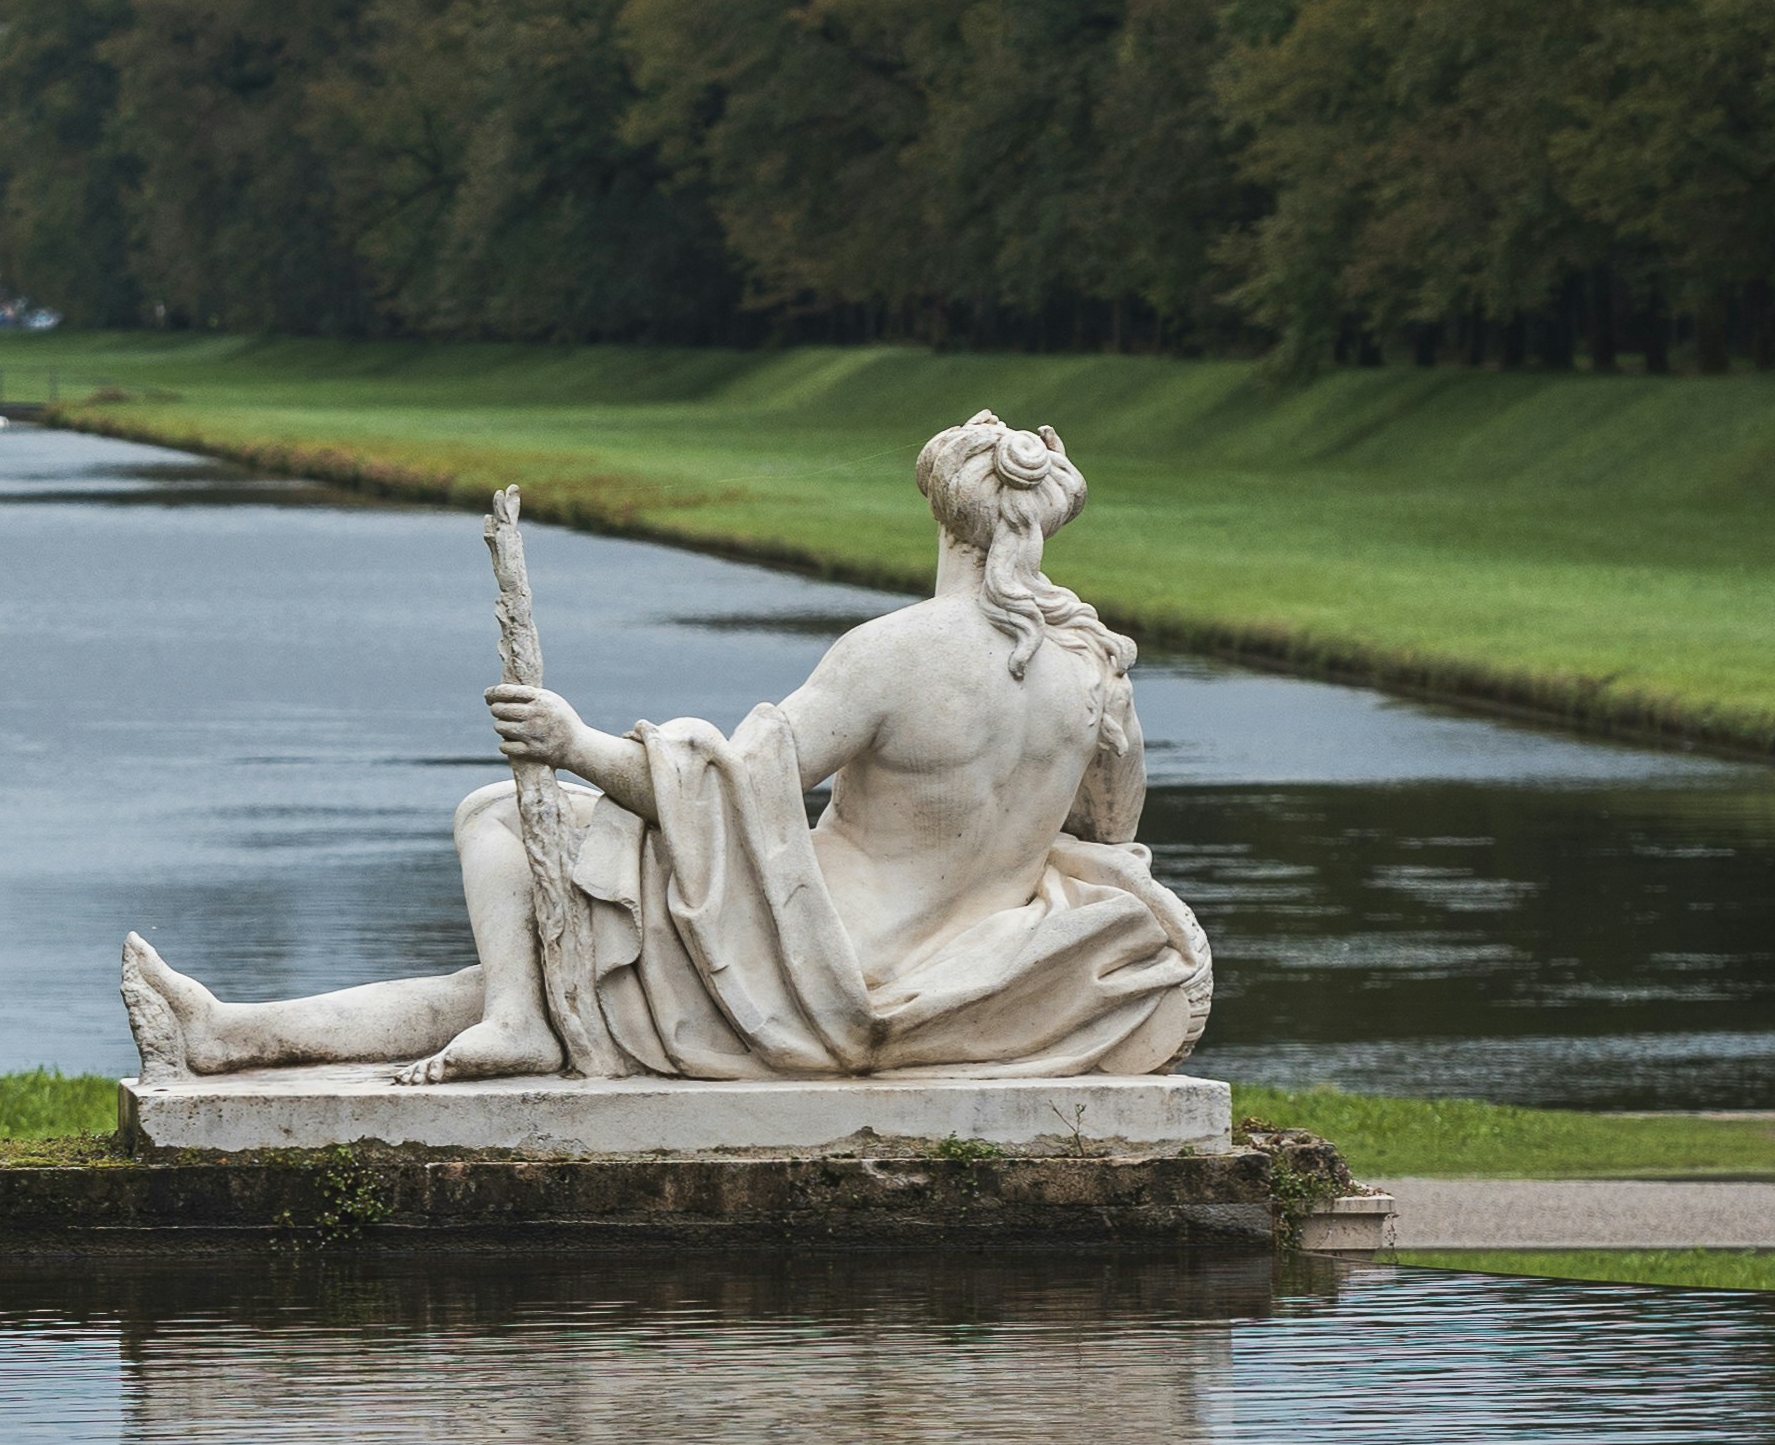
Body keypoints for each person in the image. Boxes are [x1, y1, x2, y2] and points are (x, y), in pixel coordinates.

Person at [121, 409, 1210, 1086]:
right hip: (952, 969)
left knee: (504, 817)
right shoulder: (1094, 673)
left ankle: (509, 1025)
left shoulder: (899, 652)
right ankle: (233, 1036)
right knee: (557, 966)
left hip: (807, 964)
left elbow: (736, 792)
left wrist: (575, 742)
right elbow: (1105, 835)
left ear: (943, 515)